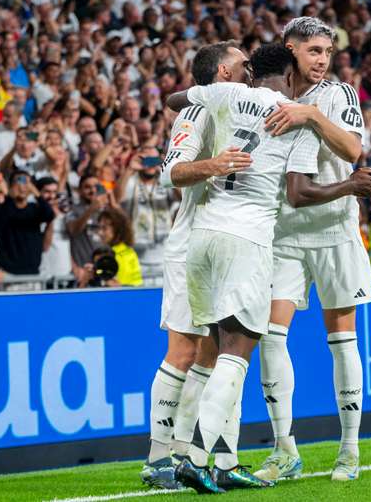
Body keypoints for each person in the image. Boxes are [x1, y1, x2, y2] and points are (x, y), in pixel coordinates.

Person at [165, 43, 371, 493]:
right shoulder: (292, 114)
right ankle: (194, 455)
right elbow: (298, 193)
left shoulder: (225, 94)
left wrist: (218, 88)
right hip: (248, 240)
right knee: (238, 350)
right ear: (289, 73)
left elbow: (176, 100)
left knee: (212, 350)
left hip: (202, 236)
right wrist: (351, 185)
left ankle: (195, 456)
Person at [251, 17, 371, 483]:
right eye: (313, 51)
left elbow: (353, 149)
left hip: (335, 231)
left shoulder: (338, 95)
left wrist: (312, 116)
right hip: (284, 235)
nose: (322, 60)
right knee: (269, 334)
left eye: (327, 52)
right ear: (291, 50)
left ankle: (349, 449)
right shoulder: (266, 94)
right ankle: (284, 448)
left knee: (342, 342)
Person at [141, 42, 252, 490]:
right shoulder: (197, 111)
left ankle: (212, 458)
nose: (251, 70)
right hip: (191, 248)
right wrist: (216, 164)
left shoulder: (239, 110)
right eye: (244, 64)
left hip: (226, 246)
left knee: (219, 355)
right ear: (223, 71)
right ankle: (157, 459)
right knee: (184, 352)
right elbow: (170, 172)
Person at [117, 143, 173, 281]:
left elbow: (182, 197)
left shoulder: (165, 181)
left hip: (164, 255)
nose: (150, 164)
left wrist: (167, 169)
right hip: (138, 256)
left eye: (154, 159)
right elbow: (117, 198)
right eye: (146, 159)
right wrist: (130, 169)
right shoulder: (131, 181)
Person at [0, 171, 55, 276]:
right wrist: (9, 196)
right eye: (19, 181)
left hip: (32, 272)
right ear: (11, 186)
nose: (22, 187)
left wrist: (37, 194)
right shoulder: (2, 207)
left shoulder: (34, 209)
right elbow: (0, 219)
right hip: (8, 273)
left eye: (26, 183)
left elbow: (50, 215)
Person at [98, 207, 143, 286]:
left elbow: (119, 287)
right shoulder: (130, 251)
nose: (100, 233)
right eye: (99, 228)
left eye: (104, 228)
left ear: (117, 229)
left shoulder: (111, 256)